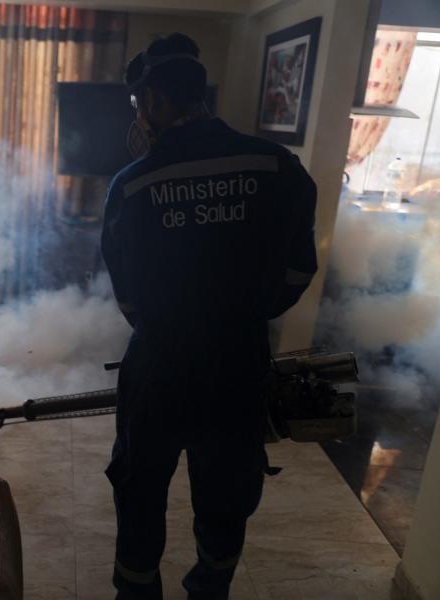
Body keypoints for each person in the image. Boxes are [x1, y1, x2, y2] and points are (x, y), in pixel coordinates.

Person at [101, 33, 317, 600]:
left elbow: (127, 296)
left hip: (158, 370)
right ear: (201, 94)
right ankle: (210, 589)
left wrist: (170, 326)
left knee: (140, 490)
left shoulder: (132, 186)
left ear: (151, 100)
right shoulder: (276, 166)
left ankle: (137, 590)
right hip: (237, 367)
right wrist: (247, 316)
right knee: (226, 493)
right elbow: (299, 270)